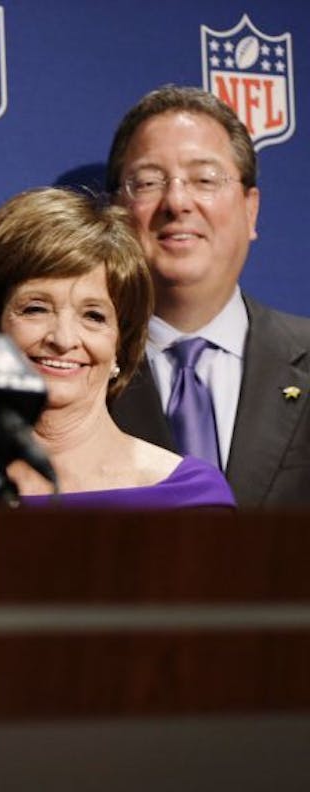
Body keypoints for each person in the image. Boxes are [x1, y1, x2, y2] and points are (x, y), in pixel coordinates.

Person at [0, 186, 234, 508]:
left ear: (122, 342)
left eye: (93, 316)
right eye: (35, 308)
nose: (63, 339)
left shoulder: (188, 497)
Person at [104, 85, 310, 506]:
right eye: (148, 182)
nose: (177, 201)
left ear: (251, 209)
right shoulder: (76, 370)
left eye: (204, 179)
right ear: (116, 213)